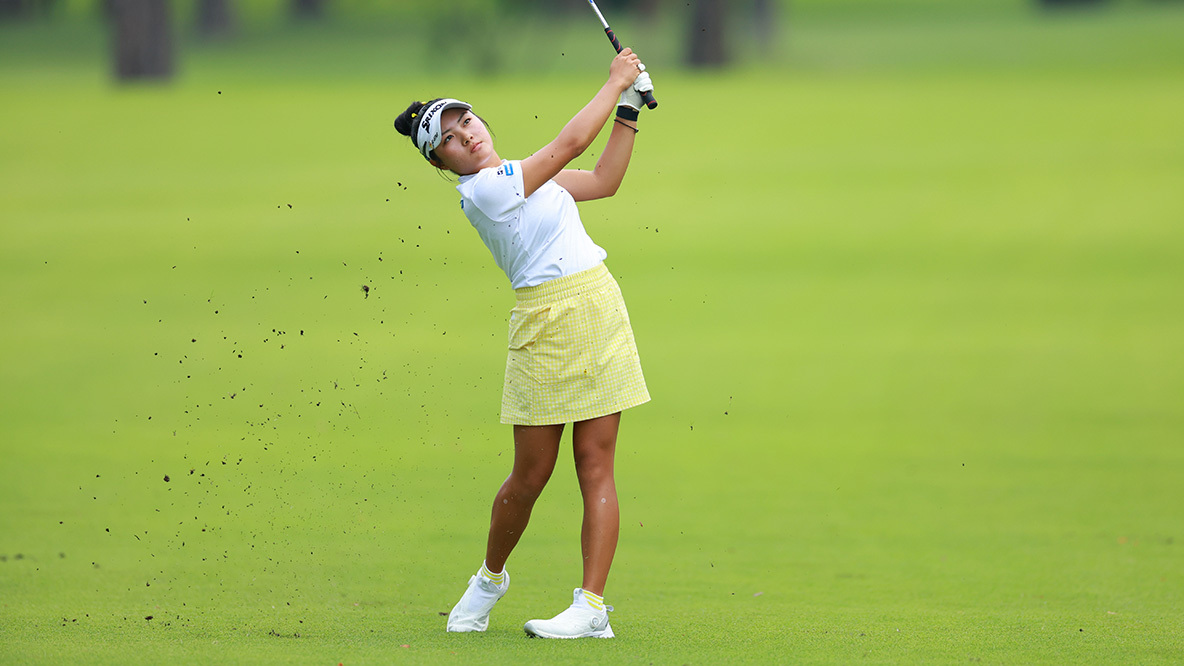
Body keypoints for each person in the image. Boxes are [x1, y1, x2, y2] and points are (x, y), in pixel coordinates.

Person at [392, 48, 654, 639]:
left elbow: (605, 182)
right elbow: (569, 146)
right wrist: (615, 80)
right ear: (440, 161)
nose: (467, 136)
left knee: (596, 465)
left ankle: (592, 608)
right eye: (450, 139)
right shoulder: (485, 191)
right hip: (544, 323)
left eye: (467, 122)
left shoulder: (521, 172)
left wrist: (629, 108)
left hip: (598, 305)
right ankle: (489, 580)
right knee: (530, 475)